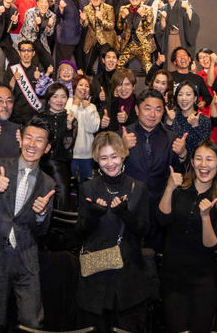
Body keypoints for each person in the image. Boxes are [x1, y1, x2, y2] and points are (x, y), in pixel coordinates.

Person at [0, 117, 56, 328]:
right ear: (20, 140)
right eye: (28, 138)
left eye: (39, 140)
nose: (32, 144)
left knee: (32, 321)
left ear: (47, 148)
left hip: (25, 258)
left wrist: (41, 214)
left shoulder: (48, 183)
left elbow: (42, 231)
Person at [75, 131, 150, 332]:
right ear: (96, 160)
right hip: (96, 277)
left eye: (114, 156)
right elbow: (79, 232)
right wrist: (93, 215)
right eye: (104, 158)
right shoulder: (88, 188)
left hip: (128, 277)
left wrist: (125, 214)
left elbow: (144, 230)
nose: (110, 163)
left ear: (123, 154)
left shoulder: (137, 187)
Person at [157, 141, 217, 333]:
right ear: (192, 162)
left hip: (204, 277)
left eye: (209, 159)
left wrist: (205, 217)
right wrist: (169, 188)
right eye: (199, 159)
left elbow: (213, 245)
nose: (203, 165)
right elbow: (162, 220)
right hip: (173, 274)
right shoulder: (179, 187)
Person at [119, 89, 189, 251]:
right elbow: (107, 170)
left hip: (159, 206)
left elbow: (181, 174)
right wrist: (122, 149)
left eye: (158, 109)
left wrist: (183, 155)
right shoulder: (122, 135)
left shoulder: (172, 138)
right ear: (137, 110)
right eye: (147, 108)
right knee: (127, 253)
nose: (153, 114)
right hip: (128, 205)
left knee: (155, 253)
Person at [37, 83, 77, 209]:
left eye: (63, 96)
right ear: (48, 99)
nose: (59, 100)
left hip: (60, 164)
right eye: (55, 96)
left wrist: (69, 127)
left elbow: (67, 146)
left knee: (62, 193)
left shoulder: (70, 119)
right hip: (39, 163)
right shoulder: (39, 117)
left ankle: (59, 220)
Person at [155, 0, 200, 71]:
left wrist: (187, 8)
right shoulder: (163, 8)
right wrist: (163, 18)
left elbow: (193, 21)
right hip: (169, 39)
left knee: (182, 60)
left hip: (181, 38)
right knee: (170, 63)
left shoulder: (184, 5)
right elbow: (160, 28)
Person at [164, 81, 211, 159]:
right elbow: (164, 142)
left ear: (195, 98)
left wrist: (196, 126)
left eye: (188, 94)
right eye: (180, 95)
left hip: (194, 163)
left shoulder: (204, 120)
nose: (184, 98)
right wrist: (169, 122)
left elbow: (203, 148)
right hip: (173, 162)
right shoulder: (172, 116)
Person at [67, 74, 100, 183]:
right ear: (74, 87)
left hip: (87, 155)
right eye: (81, 85)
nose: (84, 88)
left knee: (86, 187)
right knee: (69, 186)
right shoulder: (67, 103)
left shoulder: (92, 107)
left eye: (87, 86)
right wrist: (75, 106)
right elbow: (68, 124)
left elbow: (93, 128)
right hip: (70, 154)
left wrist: (87, 109)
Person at [116, 0, 154, 73]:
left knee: (149, 69)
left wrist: (143, 16)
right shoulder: (123, 9)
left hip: (143, 45)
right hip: (128, 44)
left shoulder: (148, 9)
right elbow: (119, 26)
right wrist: (123, 17)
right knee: (117, 67)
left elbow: (148, 29)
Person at [81, 0, 116, 75]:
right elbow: (85, 24)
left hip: (105, 41)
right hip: (92, 41)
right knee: (87, 66)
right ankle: (94, 80)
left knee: (105, 66)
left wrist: (101, 20)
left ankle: (104, 81)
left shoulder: (109, 8)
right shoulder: (86, 9)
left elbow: (111, 26)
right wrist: (83, 20)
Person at [54, 0, 89, 66]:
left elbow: (87, 19)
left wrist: (83, 20)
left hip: (81, 40)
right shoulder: (59, 0)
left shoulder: (84, 0)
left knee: (81, 68)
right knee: (62, 67)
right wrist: (61, 8)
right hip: (66, 40)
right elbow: (57, 15)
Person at [16, 0, 56, 71]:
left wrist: (49, 26)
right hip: (27, 41)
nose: (44, 5)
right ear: (37, 3)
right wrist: (36, 24)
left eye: (46, 2)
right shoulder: (30, 12)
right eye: (41, 2)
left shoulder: (52, 15)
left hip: (41, 42)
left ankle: (48, 78)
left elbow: (49, 33)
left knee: (50, 65)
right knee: (34, 63)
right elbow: (30, 28)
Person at [9, 40, 42, 125]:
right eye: (23, 50)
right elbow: (6, 92)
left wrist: (40, 81)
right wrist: (13, 79)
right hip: (16, 116)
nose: (26, 53)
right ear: (19, 53)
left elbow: (44, 94)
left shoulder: (39, 71)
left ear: (33, 53)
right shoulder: (11, 70)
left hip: (34, 116)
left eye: (29, 50)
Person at [194, 48, 217, 116]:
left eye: (206, 56)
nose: (204, 59)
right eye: (201, 58)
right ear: (199, 62)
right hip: (204, 111)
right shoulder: (197, 76)